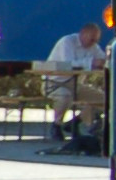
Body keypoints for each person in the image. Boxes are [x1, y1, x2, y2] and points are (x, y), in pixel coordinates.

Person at [40, 21, 108, 150]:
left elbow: (103, 59)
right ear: (83, 34)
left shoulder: (94, 47)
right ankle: (57, 124)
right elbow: (69, 64)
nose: (93, 42)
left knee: (105, 99)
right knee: (65, 96)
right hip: (55, 81)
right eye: (91, 39)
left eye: (96, 40)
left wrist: (104, 61)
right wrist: (92, 62)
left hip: (76, 84)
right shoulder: (67, 42)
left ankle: (75, 122)